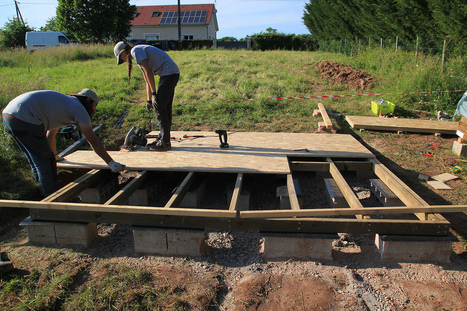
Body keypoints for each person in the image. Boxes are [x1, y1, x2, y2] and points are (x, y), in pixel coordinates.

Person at [2, 89, 125, 197]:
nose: (94, 109)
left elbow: (51, 135)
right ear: (89, 101)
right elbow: (93, 141)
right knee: (45, 160)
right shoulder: (79, 109)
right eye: (95, 105)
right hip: (24, 117)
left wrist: (55, 156)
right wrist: (111, 163)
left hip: (10, 115)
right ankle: (51, 197)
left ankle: (44, 190)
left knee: (36, 158)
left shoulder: (64, 103)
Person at [114, 41, 180, 151]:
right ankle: (163, 138)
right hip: (171, 73)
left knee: (160, 106)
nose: (123, 61)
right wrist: (149, 99)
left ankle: (164, 142)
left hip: (168, 74)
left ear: (123, 52)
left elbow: (149, 72)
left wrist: (154, 94)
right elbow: (147, 79)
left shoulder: (135, 51)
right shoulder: (138, 56)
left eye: (121, 58)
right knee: (165, 108)